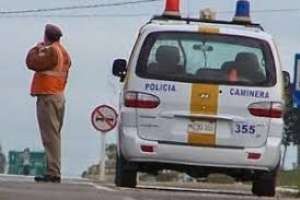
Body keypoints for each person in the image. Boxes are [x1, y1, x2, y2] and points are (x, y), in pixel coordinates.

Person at [26, 24, 71, 183]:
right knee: (54, 135)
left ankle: (53, 172)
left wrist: (36, 48)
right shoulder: (63, 52)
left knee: (50, 137)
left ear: (46, 36)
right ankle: (53, 170)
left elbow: (32, 63)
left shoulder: (51, 51)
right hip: (58, 94)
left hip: (48, 96)